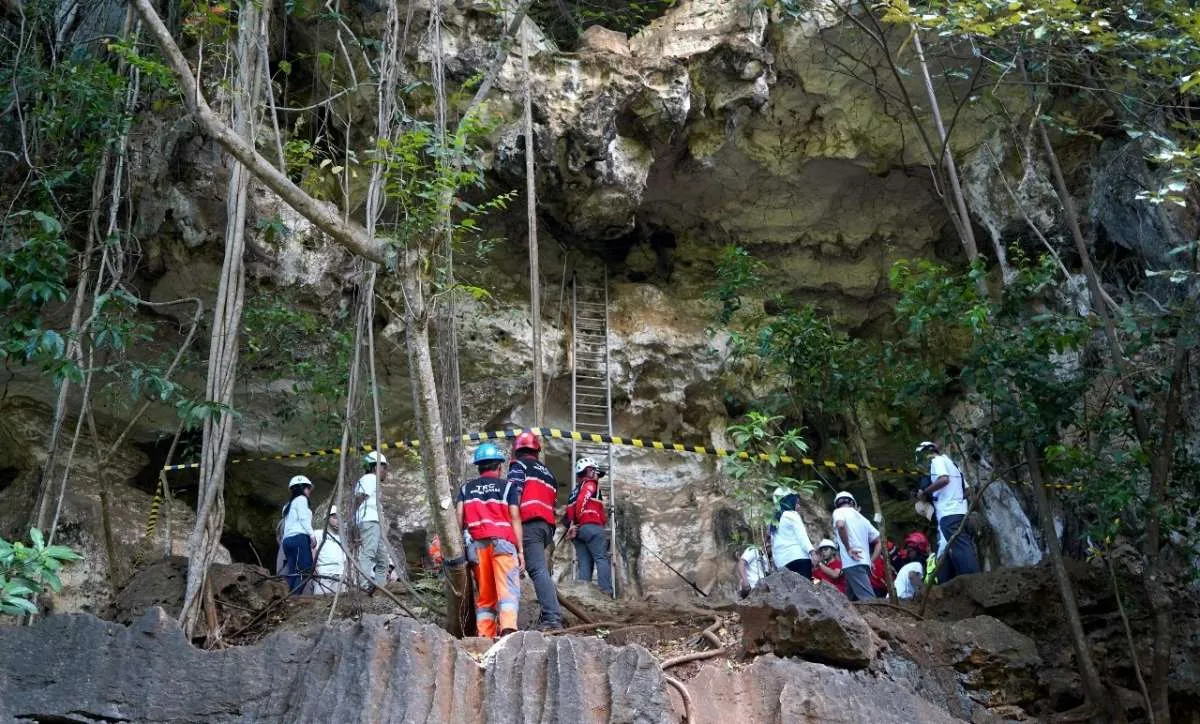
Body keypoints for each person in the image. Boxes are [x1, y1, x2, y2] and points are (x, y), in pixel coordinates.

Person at [457, 443, 523, 638]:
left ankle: (484, 636)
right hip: (503, 543)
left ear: (478, 467)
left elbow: (459, 517)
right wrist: (520, 551)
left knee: (485, 594)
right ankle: (508, 628)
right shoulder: (508, 487)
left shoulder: (466, 489)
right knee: (507, 589)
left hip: (477, 545)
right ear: (499, 467)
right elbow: (515, 517)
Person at [508, 431, 563, 630]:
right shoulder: (549, 474)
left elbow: (513, 497)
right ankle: (549, 613)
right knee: (540, 570)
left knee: (537, 570)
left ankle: (552, 618)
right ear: (536, 451)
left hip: (529, 524)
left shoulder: (518, 466)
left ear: (517, 451)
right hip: (546, 527)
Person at [915, 441, 980, 582]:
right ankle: (952, 584)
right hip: (960, 513)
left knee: (961, 549)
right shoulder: (953, 465)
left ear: (926, 454)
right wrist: (954, 498)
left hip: (949, 514)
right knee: (952, 551)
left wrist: (925, 492)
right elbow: (967, 491)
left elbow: (944, 480)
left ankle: (974, 582)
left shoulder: (936, 461)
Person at [566, 457, 613, 596]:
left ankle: (584, 594)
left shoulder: (574, 491)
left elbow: (569, 511)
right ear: (589, 471)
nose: (598, 476)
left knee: (584, 562)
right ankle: (606, 591)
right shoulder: (590, 484)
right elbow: (582, 501)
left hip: (578, 531)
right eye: (596, 472)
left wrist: (572, 526)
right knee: (601, 558)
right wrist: (582, 518)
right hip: (591, 526)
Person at [831, 490, 880, 601]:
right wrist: (871, 560)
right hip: (864, 564)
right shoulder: (863, 519)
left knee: (869, 600)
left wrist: (848, 548)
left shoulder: (838, 512)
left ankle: (878, 612)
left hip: (852, 563)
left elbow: (840, 525)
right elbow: (879, 541)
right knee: (850, 601)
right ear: (853, 503)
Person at [354, 451, 388, 591]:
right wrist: (354, 518)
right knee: (369, 553)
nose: (385, 471)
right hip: (370, 521)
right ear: (375, 467)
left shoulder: (368, 479)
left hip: (373, 522)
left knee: (383, 560)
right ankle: (363, 586)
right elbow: (360, 498)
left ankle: (379, 589)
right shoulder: (370, 478)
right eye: (384, 467)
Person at [280, 475, 316, 594]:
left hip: (287, 541)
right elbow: (303, 519)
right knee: (306, 569)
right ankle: (294, 596)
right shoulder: (301, 499)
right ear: (302, 488)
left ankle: (288, 596)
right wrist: (312, 535)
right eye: (308, 488)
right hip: (299, 538)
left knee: (294, 571)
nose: (309, 491)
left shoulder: (287, 506)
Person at [771, 489, 816, 579]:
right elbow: (802, 536)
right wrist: (812, 552)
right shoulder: (791, 514)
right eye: (797, 503)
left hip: (782, 563)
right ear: (789, 501)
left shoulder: (773, 521)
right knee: (804, 587)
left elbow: (773, 544)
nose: (799, 506)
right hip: (799, 558)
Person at [312, 505, 346, 595]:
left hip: (340, 575)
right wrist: (314, 569)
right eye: (335, 518)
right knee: (321, 601)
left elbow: (345, 558)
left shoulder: (343, 538)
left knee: (341, 601)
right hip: (323, 574)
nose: (338, 521)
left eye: (340, 518)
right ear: (327, 519)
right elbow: (313, 551)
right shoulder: (318, 534)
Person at [895, 531, 930, 600]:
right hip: (901, 599)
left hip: (896, 598)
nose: (909, 553)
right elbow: (912, 575)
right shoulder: (916, 565)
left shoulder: (908, 566)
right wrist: (923, 590)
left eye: (911, 550)